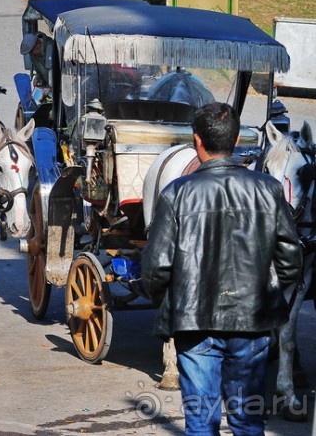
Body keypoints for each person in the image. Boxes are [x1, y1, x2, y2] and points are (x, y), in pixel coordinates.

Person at [141, 102, 302, 436]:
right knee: (248, 420)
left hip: (194, 324)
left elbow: (155, 268)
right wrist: (265, 294)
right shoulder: (269, 190)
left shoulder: (176, 194)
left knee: (201, 422)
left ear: (197, 141)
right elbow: (290, 260)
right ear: (236, 140)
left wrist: (172, 304)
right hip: (252, 322)